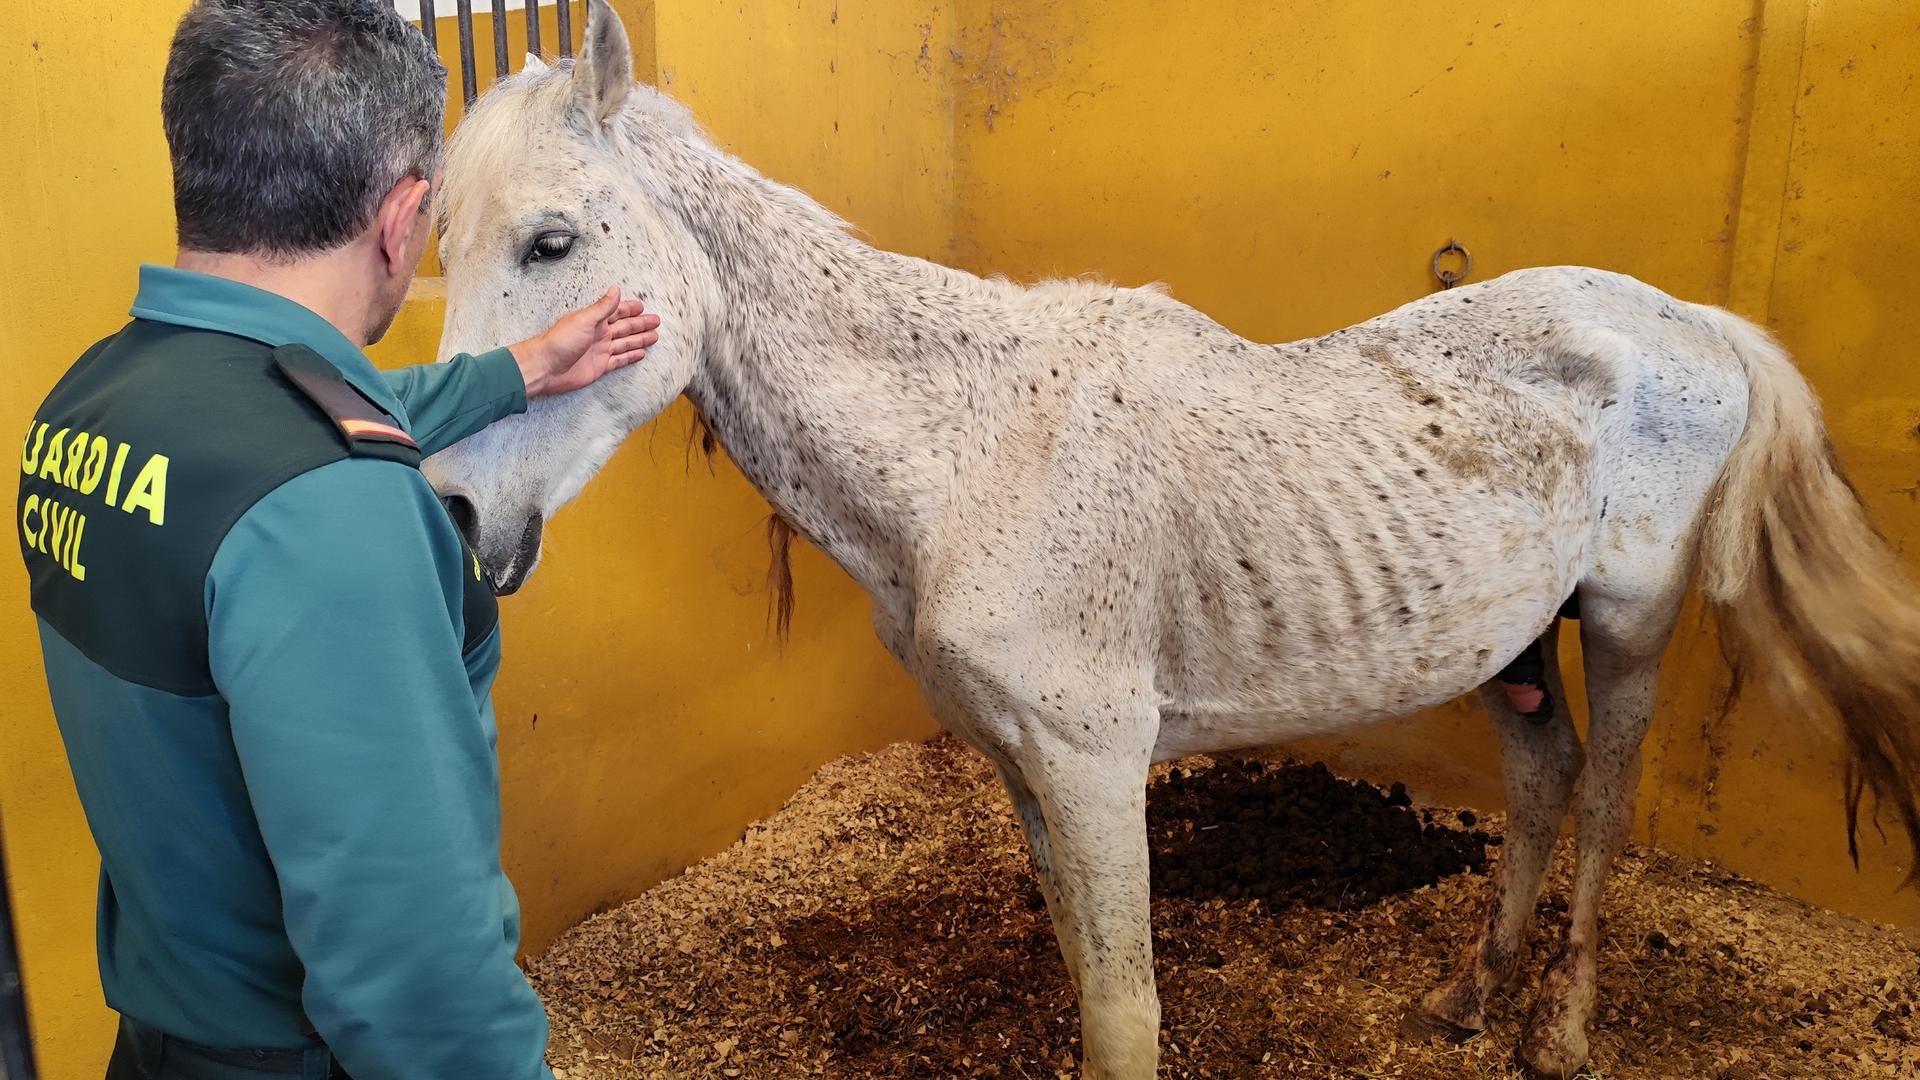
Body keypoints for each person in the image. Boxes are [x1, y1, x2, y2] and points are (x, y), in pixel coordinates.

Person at [15, 2, 657, 1076]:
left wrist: (520, 370)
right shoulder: (329, 510)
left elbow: (301, 411)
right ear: (403, 221)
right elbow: (416, 986)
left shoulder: (95, 398)